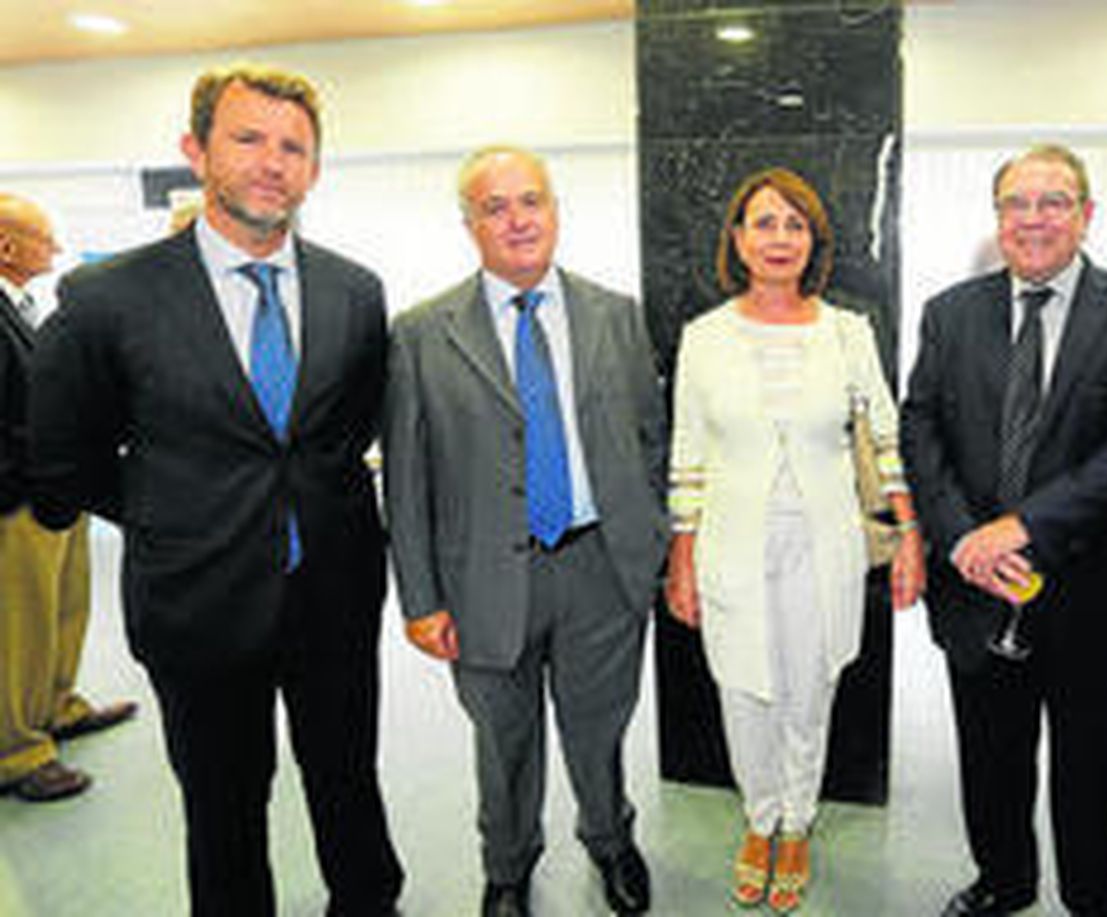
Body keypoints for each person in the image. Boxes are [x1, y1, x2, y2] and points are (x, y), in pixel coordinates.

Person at [27, 65, 403, 915]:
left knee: (348, 783)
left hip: (334, 598)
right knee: (224, 811)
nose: (272, 162)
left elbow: (352, 429)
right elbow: (64, 454)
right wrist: (176, 511)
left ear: (313, 168)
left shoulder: (355, 291)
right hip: (197, 605)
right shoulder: (108, 297)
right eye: (248, 139)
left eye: (293, 147)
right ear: (196, 151)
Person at [901, 144, 1107, 917]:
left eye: (1053, 201)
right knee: (990, 757)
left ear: (1087, 214)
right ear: (997, 218)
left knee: (1093, 767)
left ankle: (1099, 898)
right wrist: (962, 538)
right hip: (976, 588)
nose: (1033, 219)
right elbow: (920, 426)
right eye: (1015, 204)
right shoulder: (951, 312)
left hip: (1096, 590)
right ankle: (1003, 881)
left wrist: (1019, 529)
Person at [383, 146, 662, 917]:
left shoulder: (616, 314)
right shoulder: (419, 334)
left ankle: (611, 841)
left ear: (555, 211)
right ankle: (507, 865)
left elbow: (651, 439)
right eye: (495, 206)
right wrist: (420, 600)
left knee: (598, 727)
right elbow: (406, 484)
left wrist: (651, 552)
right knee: (502, 739)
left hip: (600, 566)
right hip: (479, 584)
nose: (517, 219)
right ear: (469, 223)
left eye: (530, 201)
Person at [663, 167, 925, 913]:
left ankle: (798, 820)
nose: (779, 237)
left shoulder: (848, 331)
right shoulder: (704, 337)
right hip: (729, 543)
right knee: (743, 686)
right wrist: (681, 559)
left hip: (827, 542)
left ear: (814, 240)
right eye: (763, 222)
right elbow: (687, 454)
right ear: (738, 239)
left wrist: (908, 536)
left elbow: (885, 440)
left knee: (810, 687)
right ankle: (759, 817)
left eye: (794, 223)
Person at [0, 193, 136, 803]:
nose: (54, 250)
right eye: (44, 239)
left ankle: (57, 705)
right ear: (7, 246)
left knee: (63, 608)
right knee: (17, 627)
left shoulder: (23, 308)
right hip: (16, 498)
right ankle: (16, 750)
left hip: (58, 486)